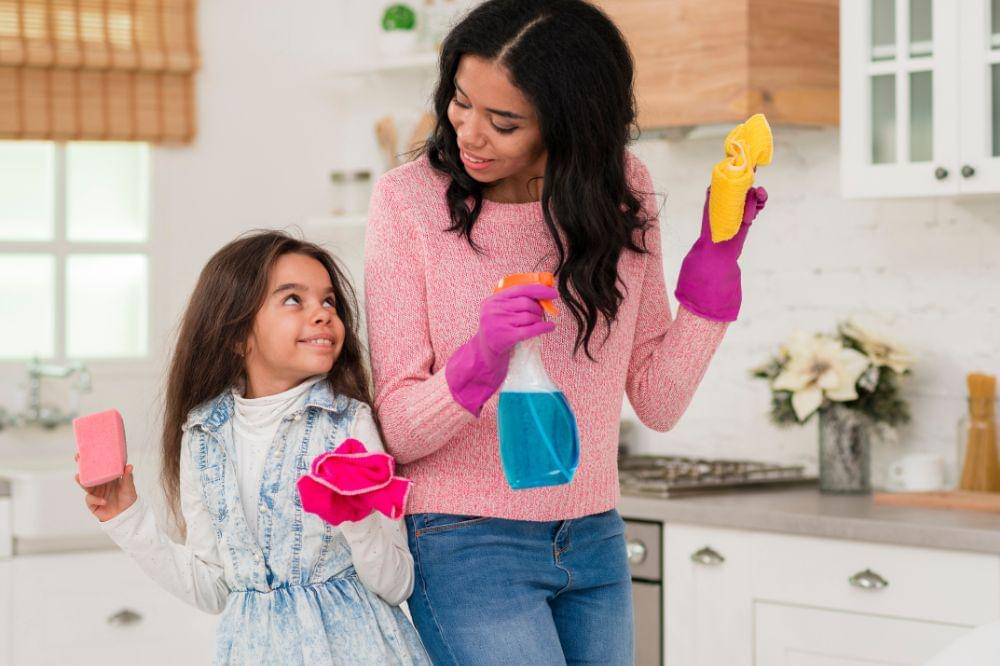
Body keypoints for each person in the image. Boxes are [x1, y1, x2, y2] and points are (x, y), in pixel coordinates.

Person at [363, 0, 767, 663]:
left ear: (570, 125)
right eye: (460, 102)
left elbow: (658, 402)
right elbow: (399, 429)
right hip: (466, 539)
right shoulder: (408, 200)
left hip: (595, 535)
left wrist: (715, 270)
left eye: (505, 122)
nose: (469, 132)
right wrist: (482, 357)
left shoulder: (621, 192)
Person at [76, 231, 430, 665]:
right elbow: (214, 589)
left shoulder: (349, 423)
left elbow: (398, 583)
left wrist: (355, 517)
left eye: (329, 301)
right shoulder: (203, 434)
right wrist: (125, 518)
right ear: (237, 334)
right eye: (293, 300)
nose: (322, 314)